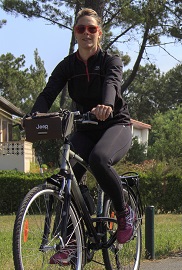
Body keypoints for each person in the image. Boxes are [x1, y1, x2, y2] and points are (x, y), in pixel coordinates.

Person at [28, 8, 135, 264]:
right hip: (85, 127)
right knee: (66, 175)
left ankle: (123, 212)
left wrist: (106, 105)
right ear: (75, 34)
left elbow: (112, 83)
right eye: (81, 29)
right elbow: (48, 93)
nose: (86, 33)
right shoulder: (68, 65)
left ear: (99, 33)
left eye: (91, 29)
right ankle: (73, 241)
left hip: (115, 125)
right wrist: (34, 115)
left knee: (99, 159)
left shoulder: (111, 60)